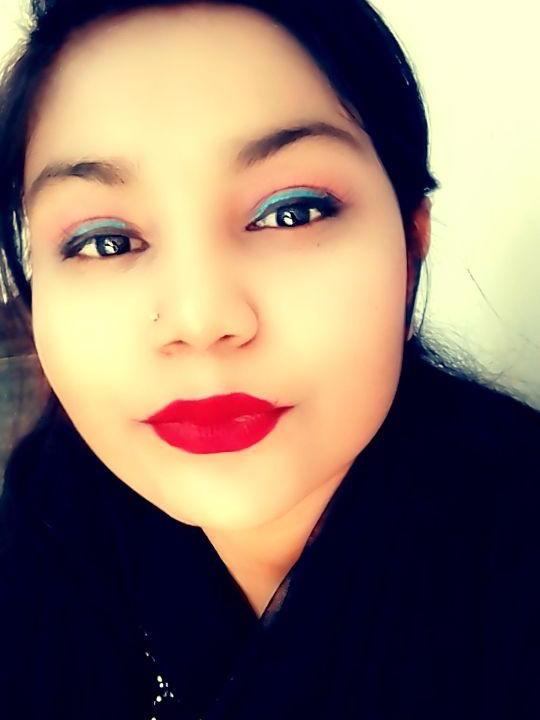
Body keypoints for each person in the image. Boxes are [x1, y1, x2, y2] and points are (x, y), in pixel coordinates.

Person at [0, 1, 539, 718]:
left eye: (291, 211)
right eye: (106, 241)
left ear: (411, 244)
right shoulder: (49, 511)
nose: (200, 321)